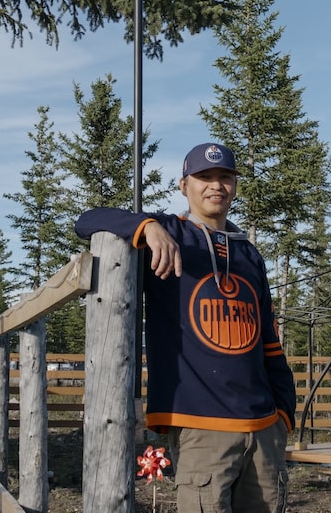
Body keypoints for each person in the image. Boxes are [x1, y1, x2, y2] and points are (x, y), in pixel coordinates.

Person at [74, 142, 295, 513]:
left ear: (235, 186)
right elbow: (87, 220)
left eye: (225, 177)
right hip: (199, 423)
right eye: (204, 177)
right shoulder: (169, 234)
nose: (216, 185)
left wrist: (283, 413)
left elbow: (269, 340)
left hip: (263, 427)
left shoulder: (249, 254)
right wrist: (147, 226)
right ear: (184, 185)